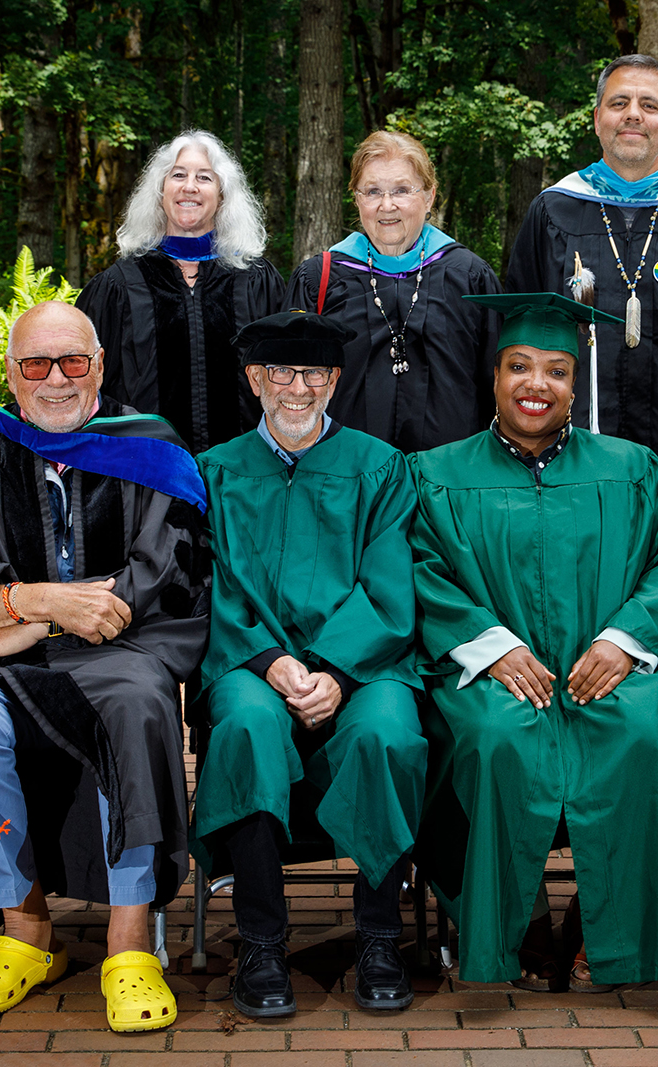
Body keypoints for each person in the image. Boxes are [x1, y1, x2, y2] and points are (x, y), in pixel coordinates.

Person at [0, 301, 210, 1033]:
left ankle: (129, 947)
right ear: (11, 373)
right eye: (37, 363)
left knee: (137, 705)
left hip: (122, 647)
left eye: (73, 361)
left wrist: (47, 617)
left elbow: (170, 571)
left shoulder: (152, 448)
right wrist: (32, 601)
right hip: (10, 654)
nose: (56, 379)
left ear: (100, 365)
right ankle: (25, 930)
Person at [409, 292, 658, 991]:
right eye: (519, 366)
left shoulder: (631, 469)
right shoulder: (437, 473)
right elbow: (422, 570)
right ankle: (514, 926)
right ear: (494, 376)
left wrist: (625, 639)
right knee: (495, 737)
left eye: (556, 371)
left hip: (605, 667)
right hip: (491, 672)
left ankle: (613, 934)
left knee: (637, 732)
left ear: (577, 383)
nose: (535, 385)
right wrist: (491, 645)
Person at [191, 310, 428, 1017]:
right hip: (249, 659)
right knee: (244, 727)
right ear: (255, 379)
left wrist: (333, 669)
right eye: (282, 373)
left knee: (387, 730)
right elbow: (207, 587)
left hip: (361, 662)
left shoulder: (379, 466)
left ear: (336, 379)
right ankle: (262, 941)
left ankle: (381, 935)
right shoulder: (214, 471)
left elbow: (391, 583)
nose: (299, 387)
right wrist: (269, 661)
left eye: (315, 373)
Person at [505, 54, 658, 471]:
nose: (633, 115)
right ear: (597, 117)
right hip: (568, 445)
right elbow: (519, 329)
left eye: (650, 105)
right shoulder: (553, 211)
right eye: (619, 103)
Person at [286, 130, 502, 452]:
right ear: (356, 198)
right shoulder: (320, 279)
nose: (387, 206)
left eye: (402, 190)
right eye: (372, 191)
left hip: (449, 482)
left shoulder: (469, 278)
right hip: (347, 480)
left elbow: (496, 386)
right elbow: (293, 388)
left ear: (429, 196)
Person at [78, 129, 285, 453]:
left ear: (222, 195)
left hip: (243, 477)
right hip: (146, 478)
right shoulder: (118, 287)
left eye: (204, 177)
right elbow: (90, 390)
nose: (190, 186)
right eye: (178, 175)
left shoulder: (257, 281)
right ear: (160, 191)